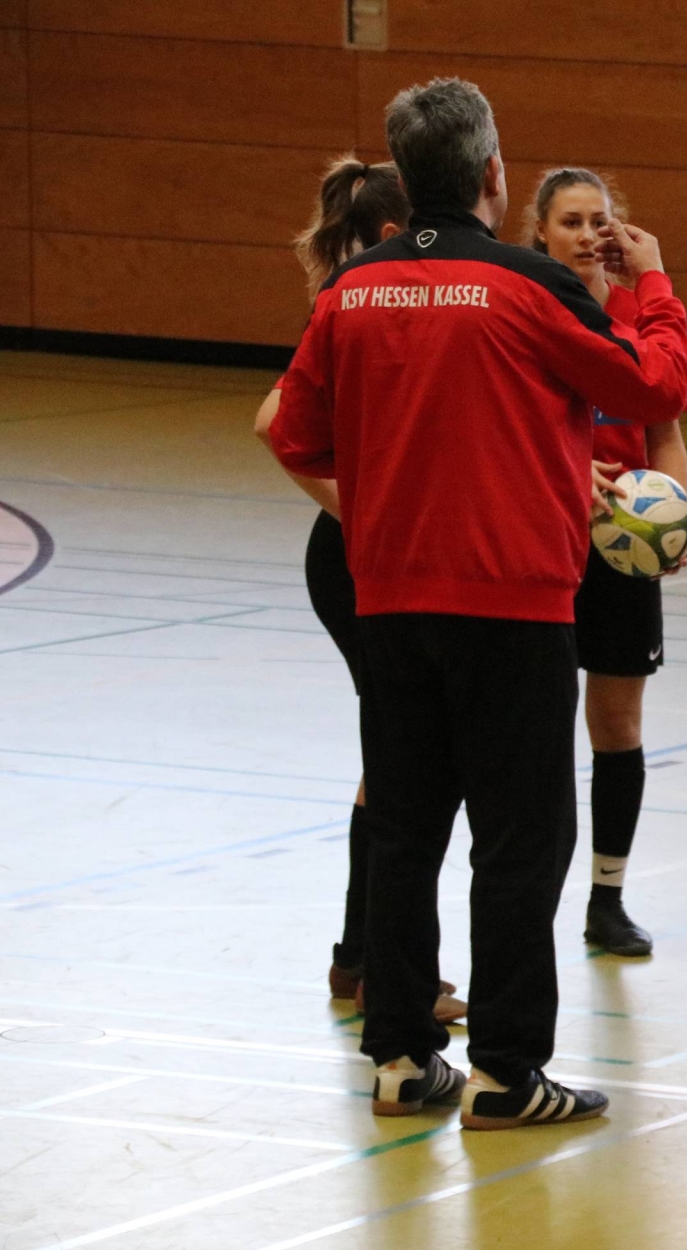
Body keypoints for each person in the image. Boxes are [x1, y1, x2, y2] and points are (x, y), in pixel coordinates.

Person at [268, 77, 687, 1130]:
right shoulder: (526, 285)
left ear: (407, 175)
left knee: (405, 829)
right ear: (495, 174)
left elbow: (294, 433)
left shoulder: (351, 291)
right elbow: (652, 387)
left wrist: (392, 485)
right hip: (513, 606)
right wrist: (654, 288)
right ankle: (507, 1071)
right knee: (519, 840)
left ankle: (401, 1060)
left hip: (390, 602)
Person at [250, 157, 464, 1026]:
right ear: (392, 233)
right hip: (358, 561)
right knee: (406, 764)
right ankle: (377, 966)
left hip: (380, 557)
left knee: (397, 762)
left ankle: (361, 958)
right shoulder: (354, 306)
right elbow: (271, 422)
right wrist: (358, 509)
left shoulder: (395, 303)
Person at [525, 166, 687, 959]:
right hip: (545, 542)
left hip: (623, 550)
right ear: (540, 233)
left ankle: (608, 898)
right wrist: (565, 471)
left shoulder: (637, 317)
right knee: (539, 724)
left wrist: (672, 517)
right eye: (571, 221)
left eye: (600, 220)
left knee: (618, 725)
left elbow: (665, 429)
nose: (589, 235)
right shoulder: (529, 310)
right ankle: (532, 894)